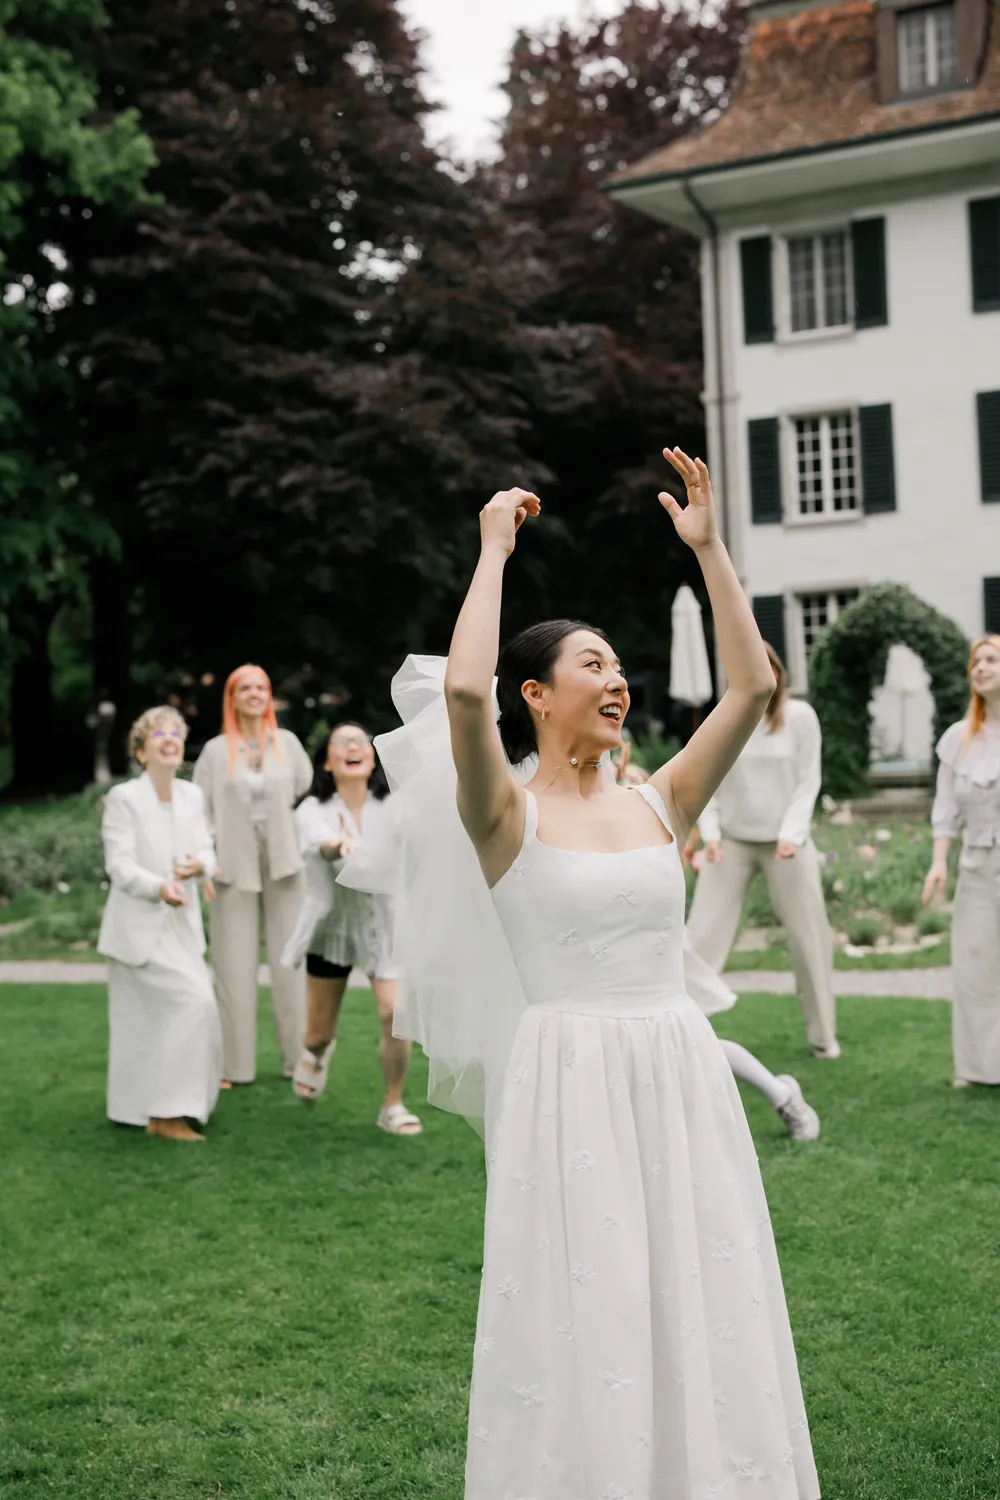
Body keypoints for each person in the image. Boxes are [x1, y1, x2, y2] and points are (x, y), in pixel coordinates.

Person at [376, 449, 819, 1497]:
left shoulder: (661, 799)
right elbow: (464, 692)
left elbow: (753, 684)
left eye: (620, 665)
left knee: (699, 1291)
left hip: (676, 1068)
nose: (617, 680)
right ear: (538, 693)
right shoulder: (504, 815)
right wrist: (491, 550)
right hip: (568, 1080)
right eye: (592, 665)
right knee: (594, 1309)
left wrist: (709, 551)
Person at [623, 759, 820, 1141]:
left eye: (633, 781)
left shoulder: (657, 828)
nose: (625, 786)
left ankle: (781, 1094)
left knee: (695, 1046)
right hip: (609, 969)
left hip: (653, 958)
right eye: (621, 781)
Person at [686, 643, 840, 1060]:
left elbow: (809, 780)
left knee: (809, 938)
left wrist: (792, 832)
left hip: (787, 844)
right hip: (732, 842)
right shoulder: (725, 717)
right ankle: (682, 1034)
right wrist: (712, 834)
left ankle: (824, 1037)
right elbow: (706, 781)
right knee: (698, 938)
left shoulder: (800, 717)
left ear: (776, 672)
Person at [281, 723, 421, 1134]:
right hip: (331, 928)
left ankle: (392, 1104)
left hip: (385, 924)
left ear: (373, 758)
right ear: (328, 761)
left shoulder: (393, 806)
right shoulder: (311, 811)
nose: (353, 747)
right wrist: (337, 845)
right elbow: (319, 845)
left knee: (395, 1011)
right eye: (341, 743)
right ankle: (317, 1054)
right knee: (318, 1033)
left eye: (361, 741)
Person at [98, 706, 221, 1142]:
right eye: (159, 733)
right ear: (140, 751)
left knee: (195, 1007)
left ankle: (164, 1106)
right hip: (137, 926)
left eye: (176, 732)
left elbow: (209, 852)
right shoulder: (124, 798)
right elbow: (119, 864)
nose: (170, 738)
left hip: (181, 928)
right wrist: (159, 887)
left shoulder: (192, 796)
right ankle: (164, 1114)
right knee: (184, 1007)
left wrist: (198, 866)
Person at [193, 665, 312, 1084]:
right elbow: (199, 812)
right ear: (232, 697)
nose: (255, 694)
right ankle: (234, 1067)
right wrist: (205, 862)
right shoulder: (214, 751)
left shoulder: (289, 744)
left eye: (261, 686)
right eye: (246, 688)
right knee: (232, 966)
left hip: (285, 865)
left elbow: (305, 798)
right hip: (231, 867)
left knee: (290, 964)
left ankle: (298, 1060)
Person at [923, 634, 1000, 1088]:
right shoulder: (958, 740)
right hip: (976, 866)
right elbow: (945, 810)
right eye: (977, 661)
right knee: (974, 967)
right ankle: (977, 1068)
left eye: (992, 659)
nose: (982, 667)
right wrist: (939, 863)